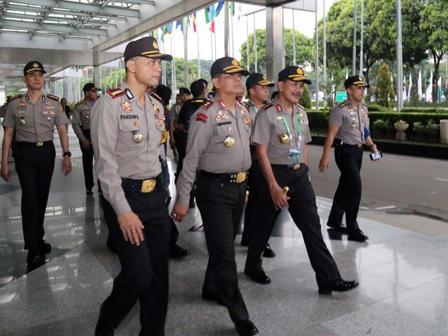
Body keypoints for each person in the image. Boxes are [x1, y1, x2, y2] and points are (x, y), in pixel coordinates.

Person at [243, 66, 358, 295]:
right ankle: (252, 266)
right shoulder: (267, 113)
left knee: (312, 227)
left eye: (301, 85)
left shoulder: (301, 113)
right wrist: (273, 185)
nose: (298, 89)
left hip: (299, 177)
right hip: (273, 175)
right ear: (281, 85)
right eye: (294, 84)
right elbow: (261, 152)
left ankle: (328, 278)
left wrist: (305, 173)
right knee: (263, 226)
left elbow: (302, 145)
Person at [91, 36, 172, 336]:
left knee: (159, 276)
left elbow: (159, 155)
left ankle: (153, 331)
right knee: (139, 275)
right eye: (151, 62)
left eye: (159, 63)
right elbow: (105, 164)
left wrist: (164, 191)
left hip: (155, 199)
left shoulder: (155, 105)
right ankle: (106, 322)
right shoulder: (109, 103)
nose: (157, 68)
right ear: (131, 64)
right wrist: (123, 211)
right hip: (125, 199)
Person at [171, 57, 259, 336]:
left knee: (224, 247)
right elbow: (191, 159)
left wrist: (246, 185)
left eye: (239, 76)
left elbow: (247, 153)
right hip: (214, 191)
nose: (238, 79)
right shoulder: (205, 115)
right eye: (230, 76)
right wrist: (184, 197)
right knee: (225, 254)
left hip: (238, 188)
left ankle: (211, 288)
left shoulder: (244, 112)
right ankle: (240, 315)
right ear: (216, 82)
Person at [1, 61, 72, 267]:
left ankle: (38, 237)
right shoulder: (14, 104)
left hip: (46, 152)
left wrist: (66, 154)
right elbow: (8, 135)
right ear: (25, 79)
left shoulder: (53, 103)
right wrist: (3, 162)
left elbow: (61, 130)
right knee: (30, 198)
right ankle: (32, 246)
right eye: (32, 75)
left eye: (40, 74)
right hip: (24, 154)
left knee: (41, 197)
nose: (37, 78)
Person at [318, 76, 378, 242]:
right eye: (358, 88)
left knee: (345, 185)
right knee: (355, 187)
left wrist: (372, 145)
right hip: (344, 152)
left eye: (363, 88)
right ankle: (353, 229)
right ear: (349, 91)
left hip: (358, 152)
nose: (362, 91)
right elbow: (331, 134)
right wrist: (325, 156)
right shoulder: (340, 110)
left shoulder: (364, 109)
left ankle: (334, 220)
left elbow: (365, 132)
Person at [240, 73, 276, 258]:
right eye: (262, 87)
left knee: (257, 199)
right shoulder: (244, 109)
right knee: (261, 199)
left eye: (267, 87)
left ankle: (250, 236)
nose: (266, 90)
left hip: (268, 155)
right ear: (251, 90)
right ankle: (259, 241)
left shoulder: (270, 109)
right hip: (253, 156)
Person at [155, 83, 191, 259]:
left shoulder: (157, 107)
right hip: (137, 171)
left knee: (161, 201)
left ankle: (169, 242)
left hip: (157, 163)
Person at [72, 83, 101, 195]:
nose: (96, 94)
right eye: (93, 92)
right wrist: (82, 139)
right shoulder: (79, 106)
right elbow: (75, 123)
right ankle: (89, 186)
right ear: (87, 93)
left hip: (99, 134)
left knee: (101, 161)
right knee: (87, 161)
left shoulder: (100, 103)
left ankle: (101, 186)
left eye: (96, 91)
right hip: (87, 134)